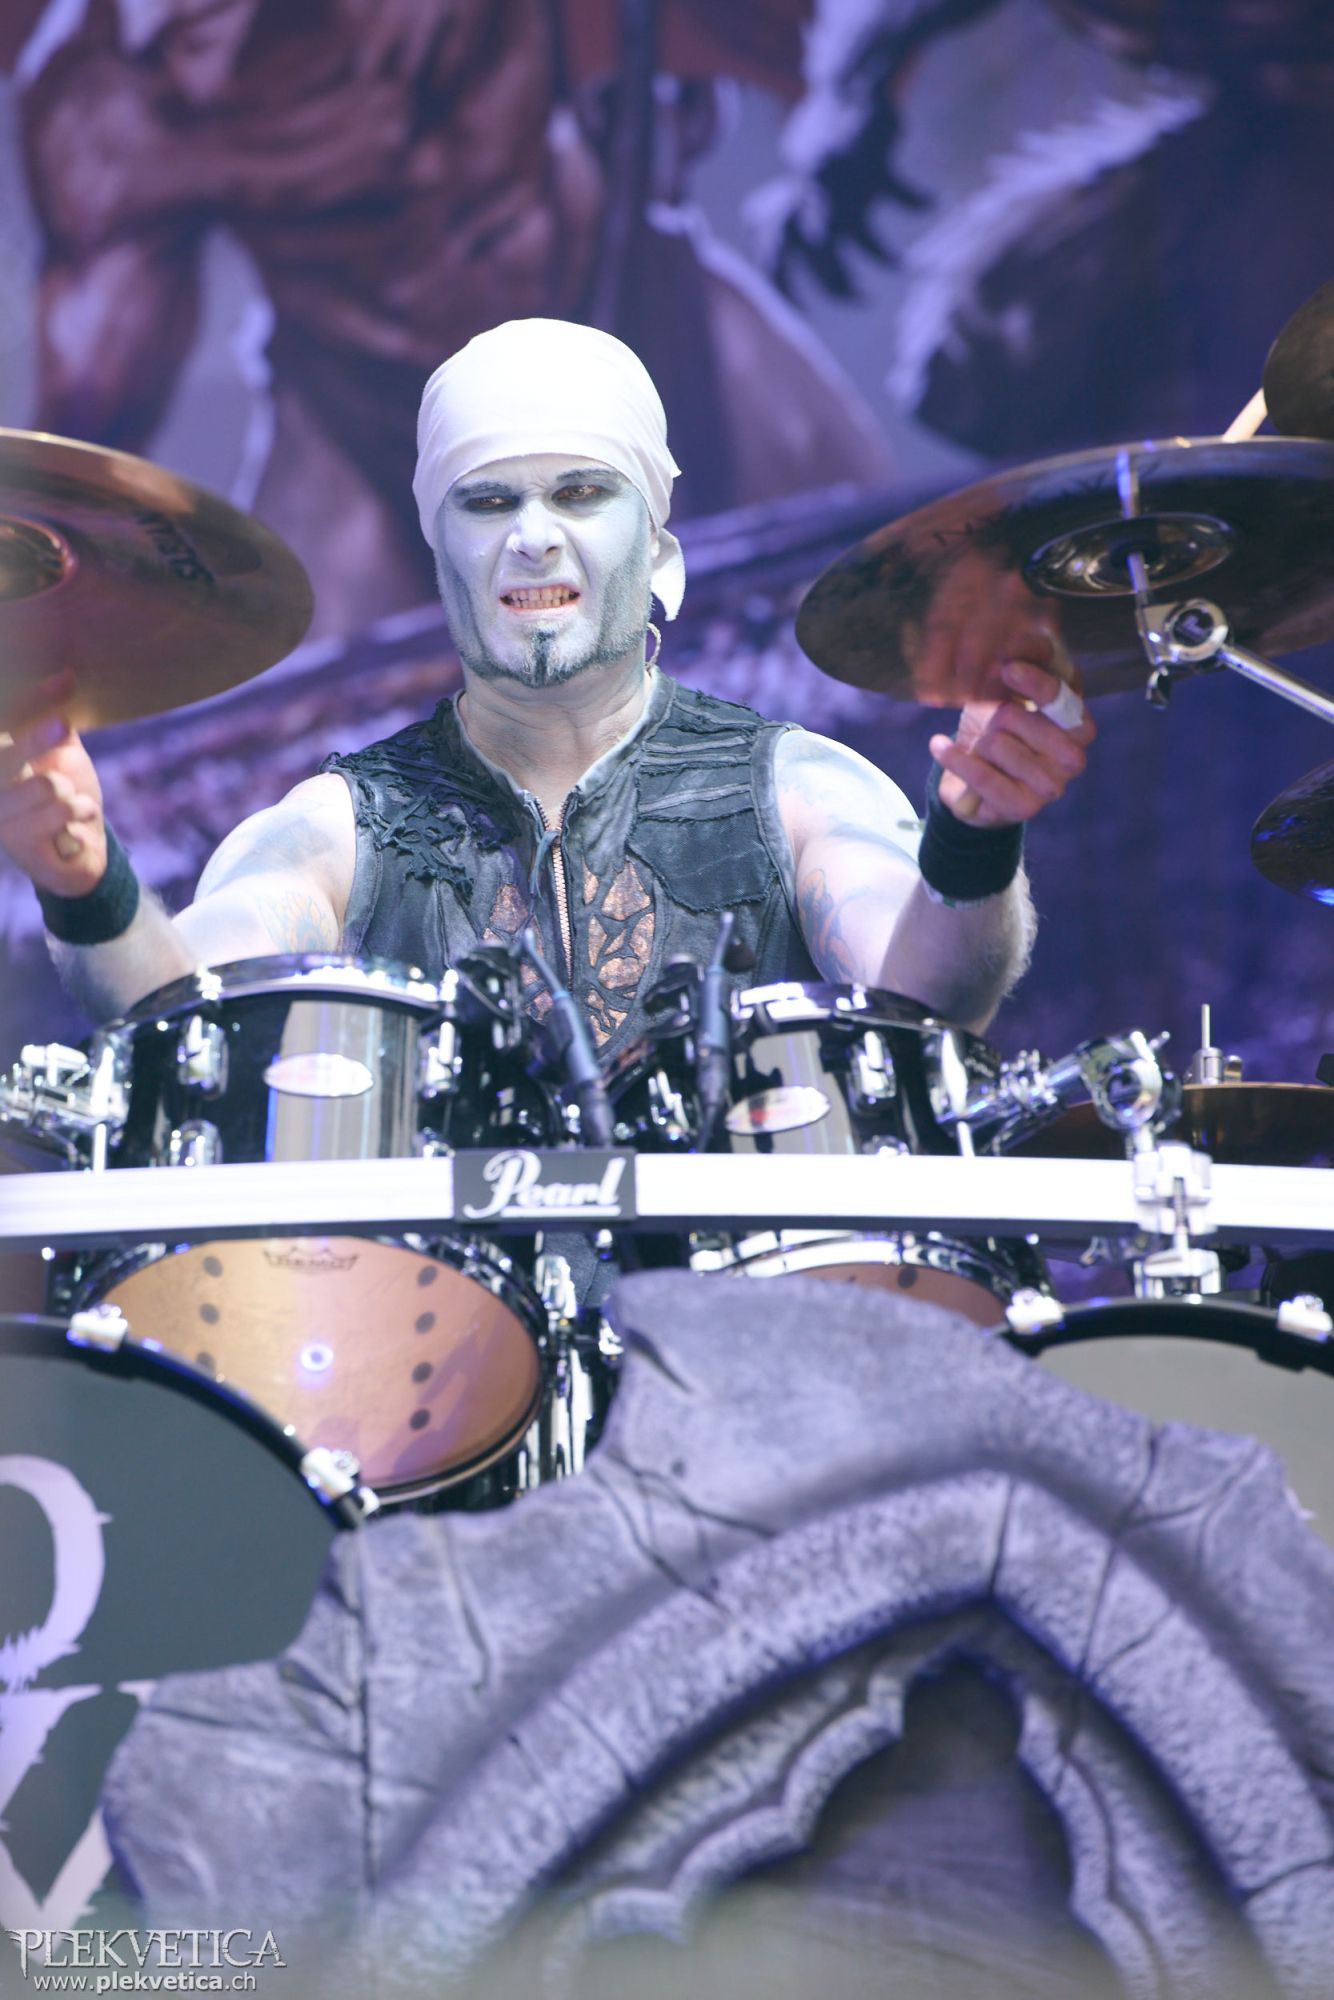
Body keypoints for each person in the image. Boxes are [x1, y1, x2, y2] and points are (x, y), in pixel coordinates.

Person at [0, 318, 1092, 1053]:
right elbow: (178, 1010)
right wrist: (85, 880)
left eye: (579, 493)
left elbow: (924, 995)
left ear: (655, 540)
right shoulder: (339, 824)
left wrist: (973, 837)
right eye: (486, 504)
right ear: (440, 553)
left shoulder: (796, 786)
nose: (532, 536)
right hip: (432, 1335)